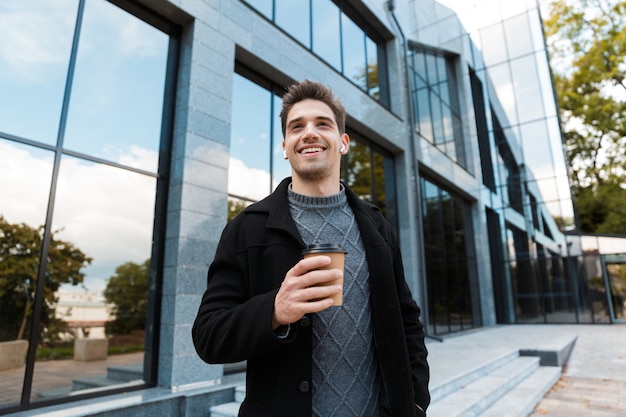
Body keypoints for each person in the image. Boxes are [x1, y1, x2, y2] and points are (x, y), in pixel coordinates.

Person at [192, 80, 430, 416]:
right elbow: (208, 336)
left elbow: (406, 321)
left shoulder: (377, 227)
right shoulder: (245, 229)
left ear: (343, 142)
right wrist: (274, 310)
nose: (309, 133)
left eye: (323, 124)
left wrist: (416, 400)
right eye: (296, 127)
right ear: (285, 147)